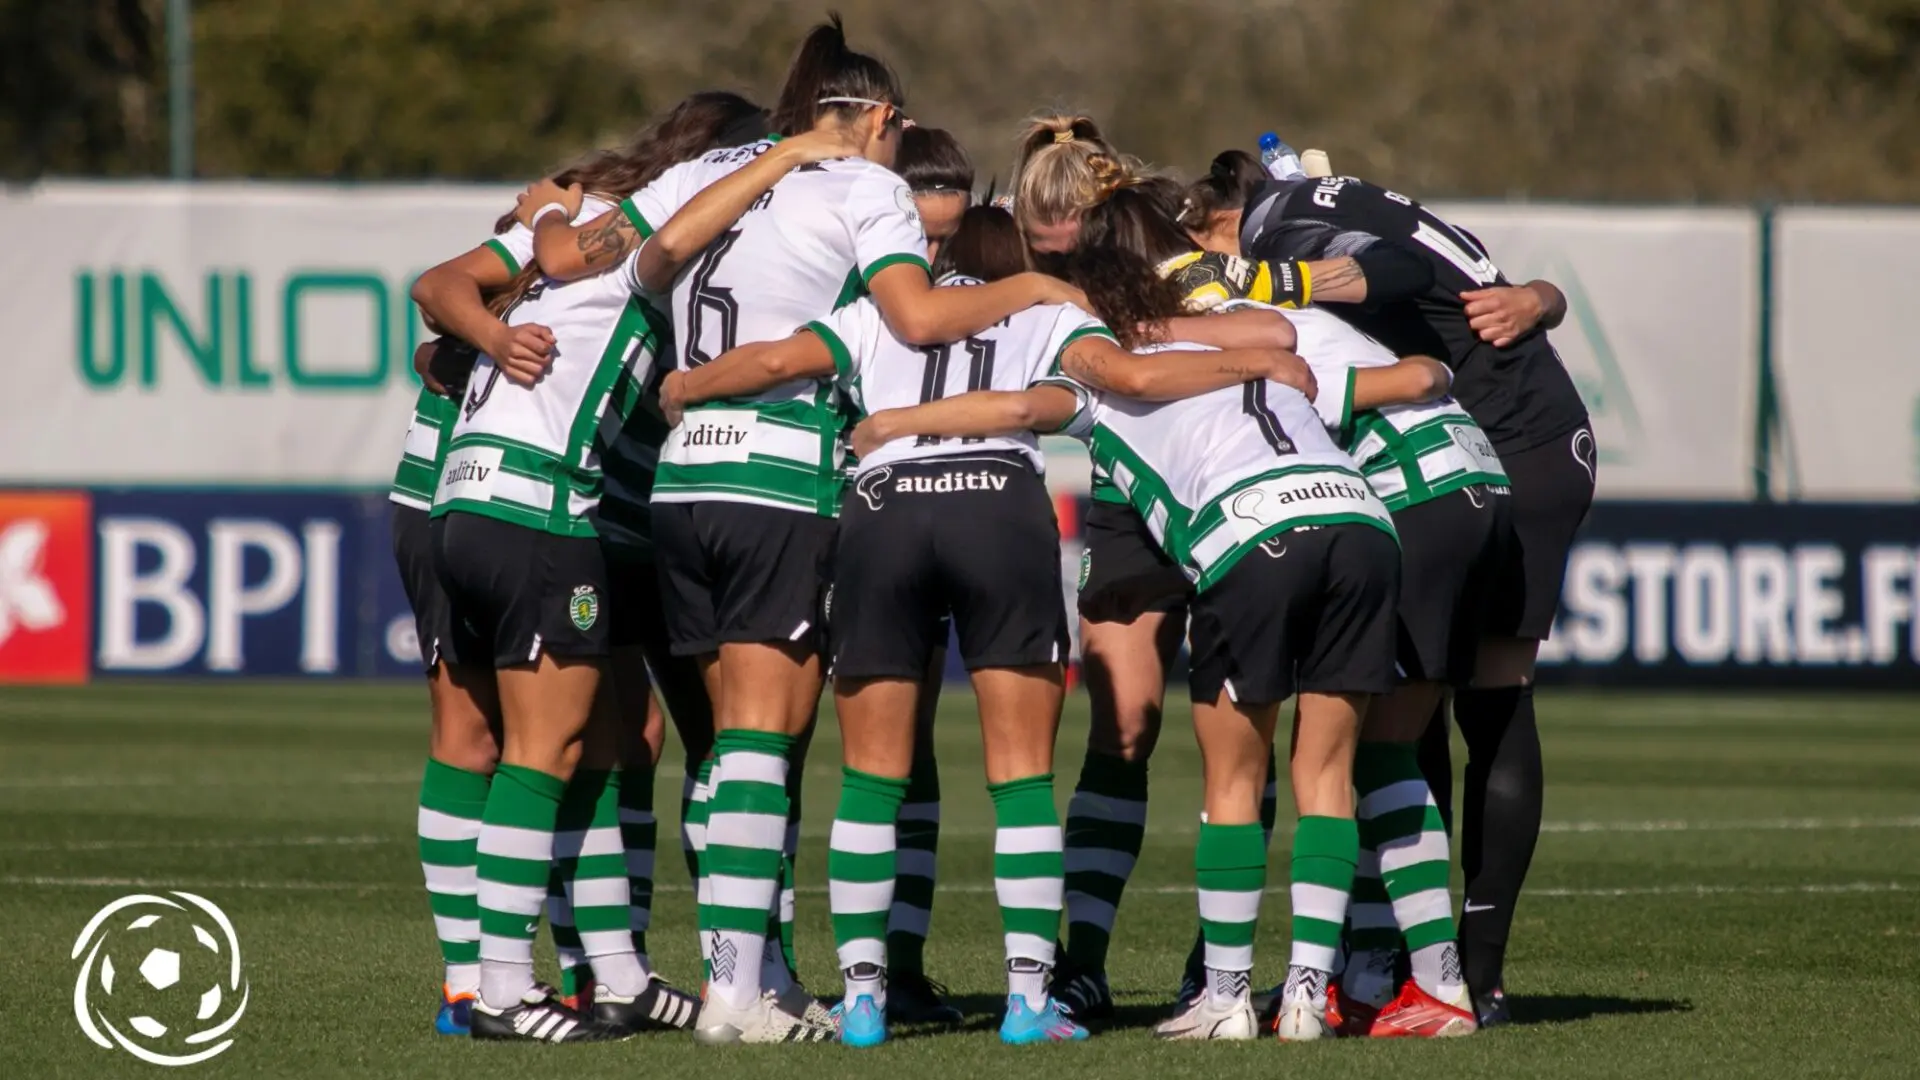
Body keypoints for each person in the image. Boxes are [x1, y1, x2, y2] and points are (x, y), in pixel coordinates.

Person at [534, 17, 1081, 1046]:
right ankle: (740, 990)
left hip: (683, 479)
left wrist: (772, 159)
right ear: (880, 119)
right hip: (779, 474)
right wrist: (1035, 289)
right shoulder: (864, 184)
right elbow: (915, 318)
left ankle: (759, 972)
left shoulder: (719, 167)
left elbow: (636, 263)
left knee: (726, 745)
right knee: (758, 742)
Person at [660, 203, 1302, 1045]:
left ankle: (861, 1000)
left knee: (868, 779)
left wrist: (687, 386)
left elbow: (777, 357)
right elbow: (1092, 387)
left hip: (883, 509)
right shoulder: (1049, 312)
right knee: (1021, 778)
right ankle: (1030, 1001)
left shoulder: (879, 311)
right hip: (999, 508)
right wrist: (1260, 362)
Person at [848, 203, 1402, 1042]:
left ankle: (1224, 998)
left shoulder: (1094, 367)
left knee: (1231, 782)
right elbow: (1282, 344)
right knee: (1327, 776)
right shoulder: (1234, 341)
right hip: (1363, 524)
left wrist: (895, 421)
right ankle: (1305, 998)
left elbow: (1014, 413)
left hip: (1254, 529)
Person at [410, 89, 828, 1043]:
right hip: (541, 506)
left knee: (607, 735)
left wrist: (492, 319)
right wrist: (506, 319)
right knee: (546, 751)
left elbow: (448, 284)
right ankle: (501, 989)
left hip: (464, 502)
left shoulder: (580, 221)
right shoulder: (642, 249)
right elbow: (537, 265)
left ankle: (607, 974)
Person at [1186, 147, 1592, 1025]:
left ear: (1224, 216)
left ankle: (1462, 977)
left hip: (1503, 445)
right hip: (1503, 440)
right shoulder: (1336, 198)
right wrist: (1542, 298)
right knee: (1422, 705)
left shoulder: (1275, 223)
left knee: (1476, 704)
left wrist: (1269, 273)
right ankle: (1425, 968)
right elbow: (1471, 277)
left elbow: (1396, 268)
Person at [389, 334, 503, 1038]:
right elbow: (437, 305)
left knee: (625, 728)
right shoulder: (550, 238)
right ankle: (466, 982)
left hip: (507, 492)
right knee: (472, 734)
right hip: (450, 491)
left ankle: (601, 973)